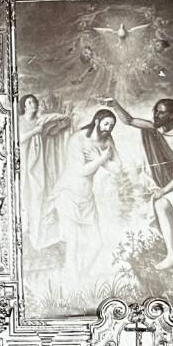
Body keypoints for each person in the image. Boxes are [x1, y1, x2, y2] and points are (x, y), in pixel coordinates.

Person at [105, 97, 173, 270]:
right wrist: (114, 105)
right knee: (158, 203)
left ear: (172, 115)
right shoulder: (159, 129)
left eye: (161, 112)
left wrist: (164, 190)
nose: (156, 115)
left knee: (161, 203)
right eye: (155, 111)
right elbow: (130, 120)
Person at [52, 108, 121, 278]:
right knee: (73, 244)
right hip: (68, 194)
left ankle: (81, 276)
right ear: (97, 121)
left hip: (87, 198)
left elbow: (118, 168)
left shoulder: (107, 140)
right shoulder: (78, 139)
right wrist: (102, 159)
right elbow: (81, 171)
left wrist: (100, 160)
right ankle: (72, 283)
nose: (108, 128)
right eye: (106, 124)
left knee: (97, 244)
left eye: (112, 126)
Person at [17, 94, 72, 252]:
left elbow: (63, 119)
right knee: (27, 196)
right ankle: (29, 232)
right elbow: (15, 140)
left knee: (41, 195)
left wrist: (50, 127)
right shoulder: (19, 121)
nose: (33, 104)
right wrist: (35, 131)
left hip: (39, 164)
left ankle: (45, 235)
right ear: (24, 106)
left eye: (34, 101)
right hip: (23, 164)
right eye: (29, 102)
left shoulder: (40, 121)